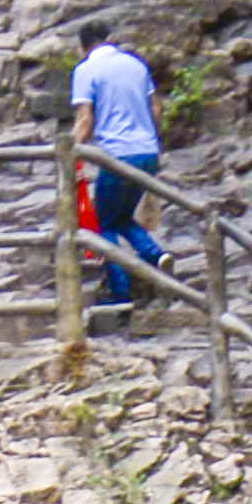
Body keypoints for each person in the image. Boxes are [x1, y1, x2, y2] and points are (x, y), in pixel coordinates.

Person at [63, 25, 172, 326]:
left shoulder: (87, 70)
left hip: (117, 154)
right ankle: (154, 254)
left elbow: (85, 119)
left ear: (84, 46)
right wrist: (152, 139)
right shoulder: (136, 64)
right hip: (147, 151)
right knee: (122, 215)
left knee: (104, 223)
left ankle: (121, 293)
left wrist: (70, 150)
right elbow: (155, 109)